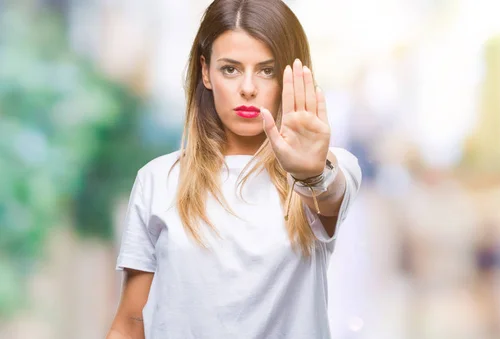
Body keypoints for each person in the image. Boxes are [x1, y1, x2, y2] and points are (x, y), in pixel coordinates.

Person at [105, 0, 362, 338]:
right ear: (206, 71)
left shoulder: (329, 168)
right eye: (231, 69)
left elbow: (330, 194)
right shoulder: (157, 180)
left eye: (267, 70)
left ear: (290, 76)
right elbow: (130, 323)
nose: (248, 88)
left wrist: (312, 174)